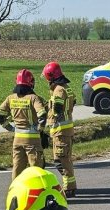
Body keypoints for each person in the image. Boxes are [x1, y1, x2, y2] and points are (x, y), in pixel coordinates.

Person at [0, 70, 48, 180]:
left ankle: (16, 192)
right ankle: (38, 192)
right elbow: (42, 114)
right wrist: (40, 129)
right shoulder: (33, 98)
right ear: (31, 83)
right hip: (32, 140)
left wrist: (9, 127)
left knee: (17, 168)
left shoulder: (11, 98)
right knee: (36, 168)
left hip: (17, 139)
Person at [42, 61, 78, 196]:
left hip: (60, 131)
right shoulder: (66, 87)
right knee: (65, 158)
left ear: (51, 76)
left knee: (61, 160)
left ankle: (69, 188)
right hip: (66, 130)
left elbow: (57, 109)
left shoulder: (58, 90)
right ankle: (70, 185)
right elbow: (73, 102)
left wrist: (51, 114)